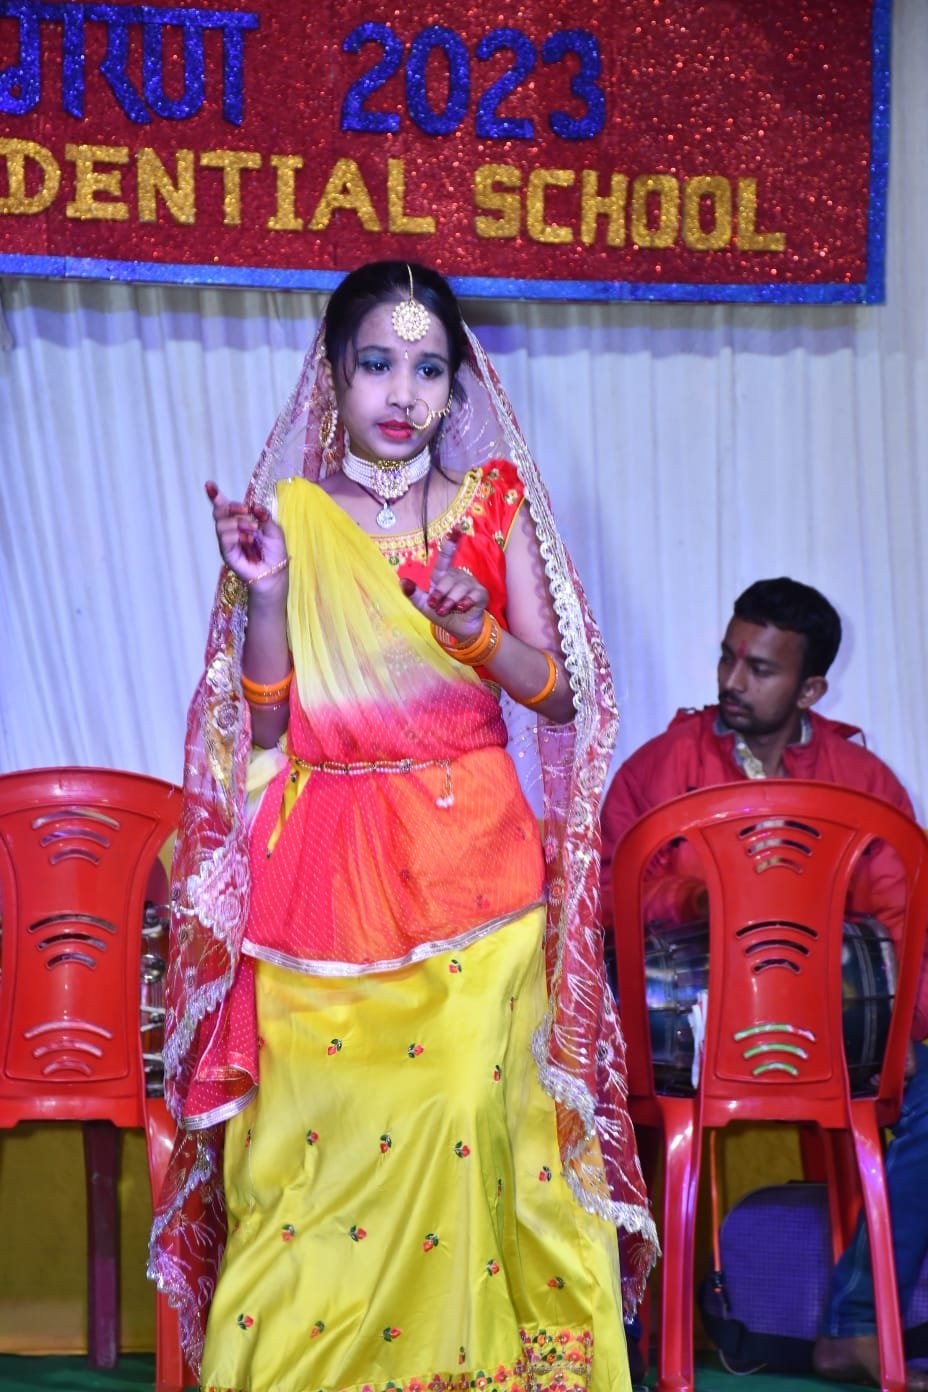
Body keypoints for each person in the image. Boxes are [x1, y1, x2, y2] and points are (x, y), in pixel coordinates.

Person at [149, 261, 657, 1392]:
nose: (402, 392)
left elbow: (560, 697)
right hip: (322, 872)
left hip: (474, 867)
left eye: (428, 370)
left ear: (456, 386)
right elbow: (267, 720)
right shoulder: (292, 517)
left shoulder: (493, 507)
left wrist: (475, 634)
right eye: (377, 363)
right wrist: (267, 592)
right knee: (308, 1150)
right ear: (333, 375)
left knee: (463, 1110)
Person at [600, 576, 928, 1391]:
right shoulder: (660, 767)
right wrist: (703, 894)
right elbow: (604, 893)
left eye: (761, 669)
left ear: (812, 688)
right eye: (728, 659)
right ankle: (616, 1341)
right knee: (574, 1076)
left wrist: (906, 1037)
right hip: (678, 1046)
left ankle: (853, 1325)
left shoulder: (860, 778)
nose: (732, 681)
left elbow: (902, 920)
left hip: (833, 1045)